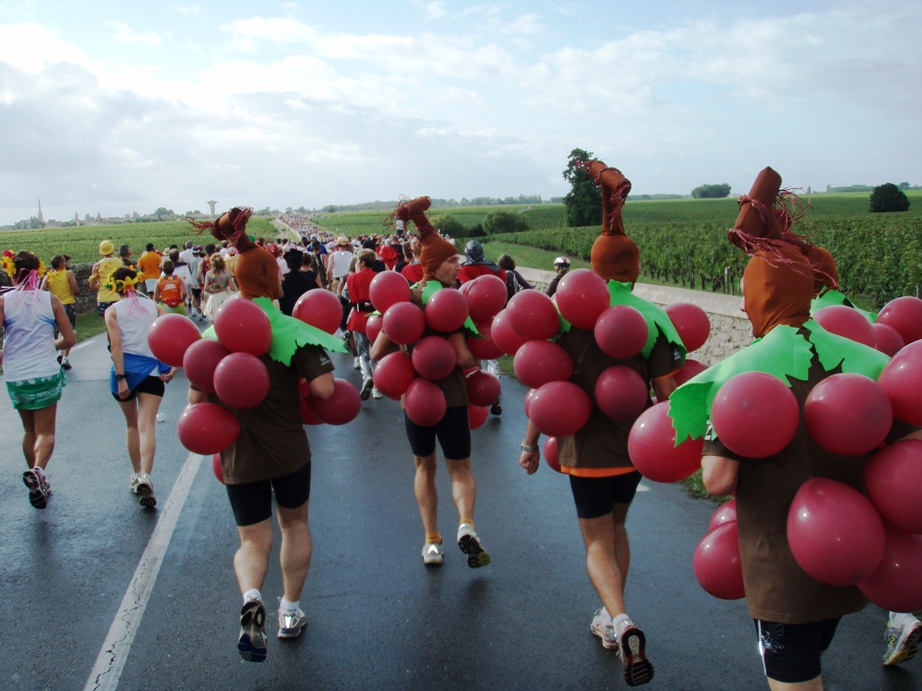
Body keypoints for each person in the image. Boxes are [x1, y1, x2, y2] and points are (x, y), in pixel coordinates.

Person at [668, 167, 922, 691]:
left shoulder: (739, 372)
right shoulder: (871, 358)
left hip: (778, 564)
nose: (742, 304)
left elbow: (715, 480)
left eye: (748, 294)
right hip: (852, 554)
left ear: (760, 296)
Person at [517, 161, 682, 688]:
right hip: (634, 447)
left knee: (595, 542)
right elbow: (666, 396)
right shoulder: (655, 318)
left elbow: (545, 385)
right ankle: (610, 617)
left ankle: (621, 618)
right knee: (618, 528)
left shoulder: (565, 311)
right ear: (634, 270)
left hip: (583, 446)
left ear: (594, 266)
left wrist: (528, 444)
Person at [190, 207, 341, 663]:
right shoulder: (295, 330)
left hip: (239, 453)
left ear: (237, 281)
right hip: (290, 450)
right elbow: (325, 389)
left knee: (251, 540)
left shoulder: (214, 334)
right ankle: (289, 612)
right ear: (272, 278)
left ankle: (251, 597)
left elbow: (196, 406)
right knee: (294, 525)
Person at [372, 196, 490, 569]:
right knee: (461, 470)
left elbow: (376, 353)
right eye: (453, 261)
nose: (459, 266)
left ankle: (431, 542)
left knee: (424, 468)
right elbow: (463, 357)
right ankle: (466, 524)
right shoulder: (449, 302)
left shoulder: (405, 300)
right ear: (435, 266)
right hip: (451, 398)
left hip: (415, 400)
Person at [1, 250, 76, 508]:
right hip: (44, 371)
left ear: (12, 273)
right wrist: (49, 345)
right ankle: (39, 471)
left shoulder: (4, 302)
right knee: (46, 432)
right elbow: (69, 339)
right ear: (38, 272)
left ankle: (35, 475)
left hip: (16, 374)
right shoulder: (50, 301)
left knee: (29, 430)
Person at [105, 268, 178, 508]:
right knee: (148, 427)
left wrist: (120, 377)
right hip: (152, 371)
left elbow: (116, 345)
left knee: (131, 425)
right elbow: (170, 334)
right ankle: (146, 474)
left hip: (125, 370)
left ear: (114, 287)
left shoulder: (112, 311)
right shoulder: (154, 307)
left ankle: (136, 474)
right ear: (136, 283)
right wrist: (174, 365)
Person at [458, 239, 505, 415]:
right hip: (494, 316)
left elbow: (464, 290)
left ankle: (478, 390)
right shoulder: (496, 269)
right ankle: (495, 391)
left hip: (473, 318)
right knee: (492, 356)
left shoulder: (465, 270)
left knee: (473, 356)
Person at [346, 249, 381, 400]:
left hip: (358, 316)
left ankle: (366, 377)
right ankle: (378, 388)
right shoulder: (378, 277)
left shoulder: (351, 278)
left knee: (362, 353)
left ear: (361, 262)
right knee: (375, 352)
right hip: (374, 317)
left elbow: (347, 296)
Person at [41, 254, 79, 370]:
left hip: (53, 306)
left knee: (57, 331)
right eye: (64, 262)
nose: (66, 264)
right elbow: (75, 289)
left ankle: (58, 354)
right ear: (60, 264)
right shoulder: (68, 274)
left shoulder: (48, 277)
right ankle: (65, 358)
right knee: (68, 330)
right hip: (67, 304)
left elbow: (42, 291)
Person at [89, 240, 125, 317]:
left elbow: (92, 286)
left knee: (108, 324)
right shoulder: (119, 262)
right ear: (112, 249)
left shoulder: (97, 266)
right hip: (118, 297)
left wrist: (99, 285)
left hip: (103, 298)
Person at [202, 254, 237, 320]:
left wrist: (212, 291)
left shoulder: (209, 273)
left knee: (214, 316)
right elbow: (233, 288)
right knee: (227, 315)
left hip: (214, 297)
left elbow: (205, 288)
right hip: (225, 296)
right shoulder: (226, 273)